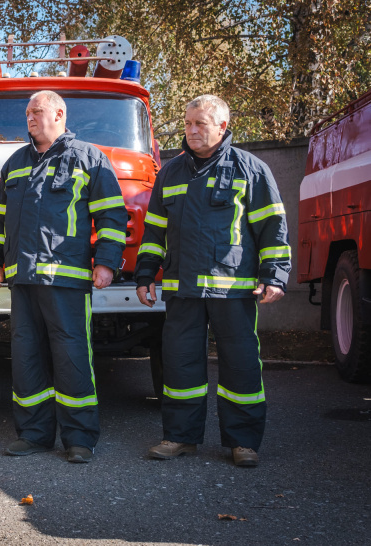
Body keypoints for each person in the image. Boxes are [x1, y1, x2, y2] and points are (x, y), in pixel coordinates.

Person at [134, 94, 291, 467]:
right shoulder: (169, 173)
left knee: (240, 366)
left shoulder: (250, 169)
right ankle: (179, 438)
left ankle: (243, 443)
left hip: (233, 289)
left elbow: (272, 227)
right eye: (187, 124)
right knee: (180, 366)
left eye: (199, 124)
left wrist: (275, 276)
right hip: (182, 289)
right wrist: (144, 274)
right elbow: (154, 231)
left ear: (222, 126)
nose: (191, 131)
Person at [0, 90, 127, 464]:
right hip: (23, 280)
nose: (30, 117)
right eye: (27, 112)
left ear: (60, 114)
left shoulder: (89, 158)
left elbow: (112, 217)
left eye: (37, 111)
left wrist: (107, 262)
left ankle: (79, 439)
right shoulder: (15, 163)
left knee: (72, 358)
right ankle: (34, 435)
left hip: (67, 281)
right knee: (26, 358)